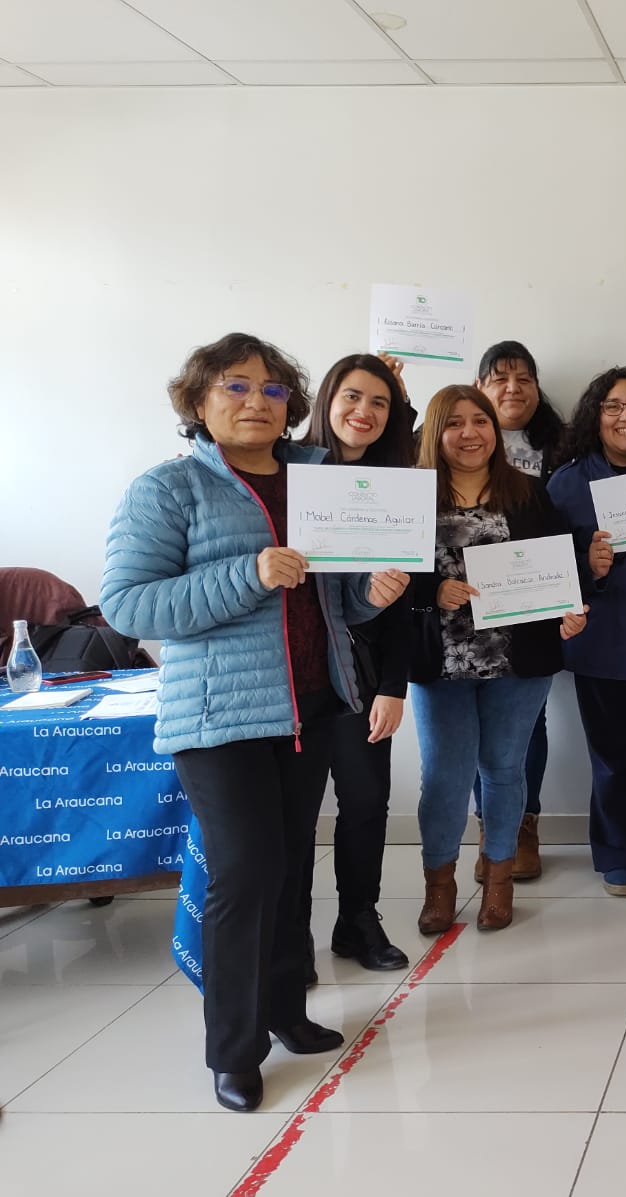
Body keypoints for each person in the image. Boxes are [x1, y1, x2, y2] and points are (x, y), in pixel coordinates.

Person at [101, 333, 408, 1113]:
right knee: (241, 876)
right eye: (235, 386)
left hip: (307, 709)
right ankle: (232, 1048)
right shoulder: (169, 490)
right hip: (216, 717)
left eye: (272, 390)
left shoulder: (318, 481)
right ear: (198, 400)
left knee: (285, 868)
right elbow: (129, 605)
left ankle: (281, 1010)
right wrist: (247, 573)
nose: (255, 401)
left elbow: (335, 603)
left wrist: (375, 592)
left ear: (291, 406)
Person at [411, 386, 587, 935]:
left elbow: (559, 570)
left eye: (480, 421)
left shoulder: (530, 493)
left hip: (518, 659)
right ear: (435, 433)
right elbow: (390, 579)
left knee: (504, 770)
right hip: (442, 661)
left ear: (495, 430)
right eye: (455, 423)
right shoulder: (413, 498)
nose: (470, 433)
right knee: (444, 775)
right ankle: (438, 885)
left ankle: (499, 879)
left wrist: (570, 612)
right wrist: (433, 593)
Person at [298, 353, 415, 972]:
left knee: (366, 802)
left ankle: (357, 920)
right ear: (326, 399)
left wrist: (394, 687)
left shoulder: (396, 487)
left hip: (361, 679)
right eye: (351, 396)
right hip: (289, 676)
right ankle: (292, 938)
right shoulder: (286, 470)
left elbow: (401, 609)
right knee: (291, 814)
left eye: (379, 402)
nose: (363, 412)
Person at [546, 367, 626, 897]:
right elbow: (541, 569)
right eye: (614, 406)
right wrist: (586, 561)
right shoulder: (568, 481)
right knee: (613, 759)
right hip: (604, 643)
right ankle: (620, 858)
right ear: (596, 414)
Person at [468, 341, 568, 884]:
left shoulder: (563, 446)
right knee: (468, 724)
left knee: (527, 722)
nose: (513, 387)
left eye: (524, 377)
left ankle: (522, 825)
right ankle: (488, 826)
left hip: (534, 601)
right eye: (499, 378)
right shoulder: (450, 439)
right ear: (478, 387)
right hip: (465, 609)